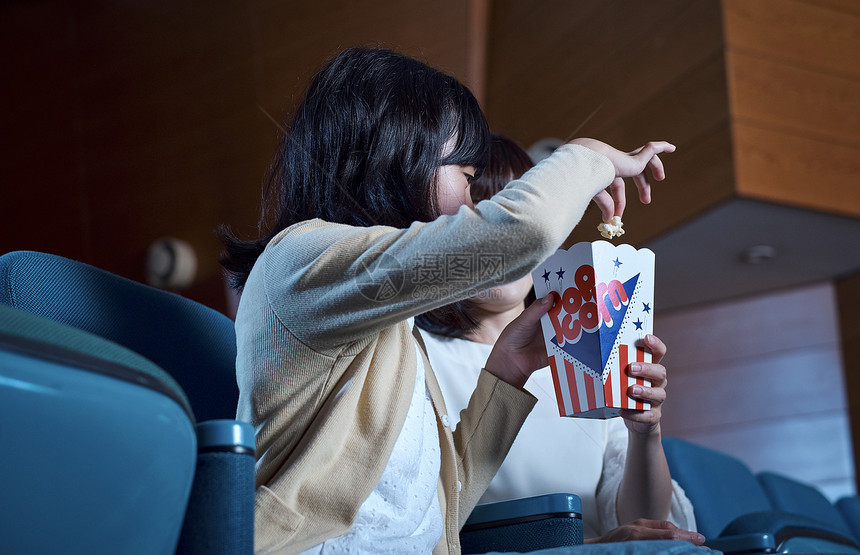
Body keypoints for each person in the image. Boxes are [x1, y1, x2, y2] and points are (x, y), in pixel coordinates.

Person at [219, 46, 685, 554]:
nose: (469, 205)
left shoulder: (388, 323)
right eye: (466, 179)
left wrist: (504, 375)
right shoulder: (301, 259)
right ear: (402, 156)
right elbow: (522, 233)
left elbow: (439, 507)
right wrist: (590, 154)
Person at [417, 134, 699, 544]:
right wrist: (589, 550)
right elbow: (423, 525)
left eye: (514, 219)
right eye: (479, 222)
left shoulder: (587, 356)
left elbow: (649, 527)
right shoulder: (417, 358)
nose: (502, 243)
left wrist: (645, 433)